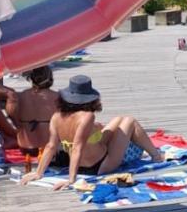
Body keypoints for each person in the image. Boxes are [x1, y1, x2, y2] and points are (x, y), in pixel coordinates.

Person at [20, 75, 163, 191]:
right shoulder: (86, 116)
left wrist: (39, 172)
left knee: (118, 119)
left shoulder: (57, 116)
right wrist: (71, 179)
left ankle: (154, 154)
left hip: (85, 162)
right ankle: (156, 156)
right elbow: (77, 147)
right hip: (100, 165)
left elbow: (51, 146)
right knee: (130, 121)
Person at [12, 66, 57, 161]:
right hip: (49, 148)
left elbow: (11, 110)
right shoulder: (57, 97)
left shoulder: (21, 95)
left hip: (25, 147)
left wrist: (17, 123)